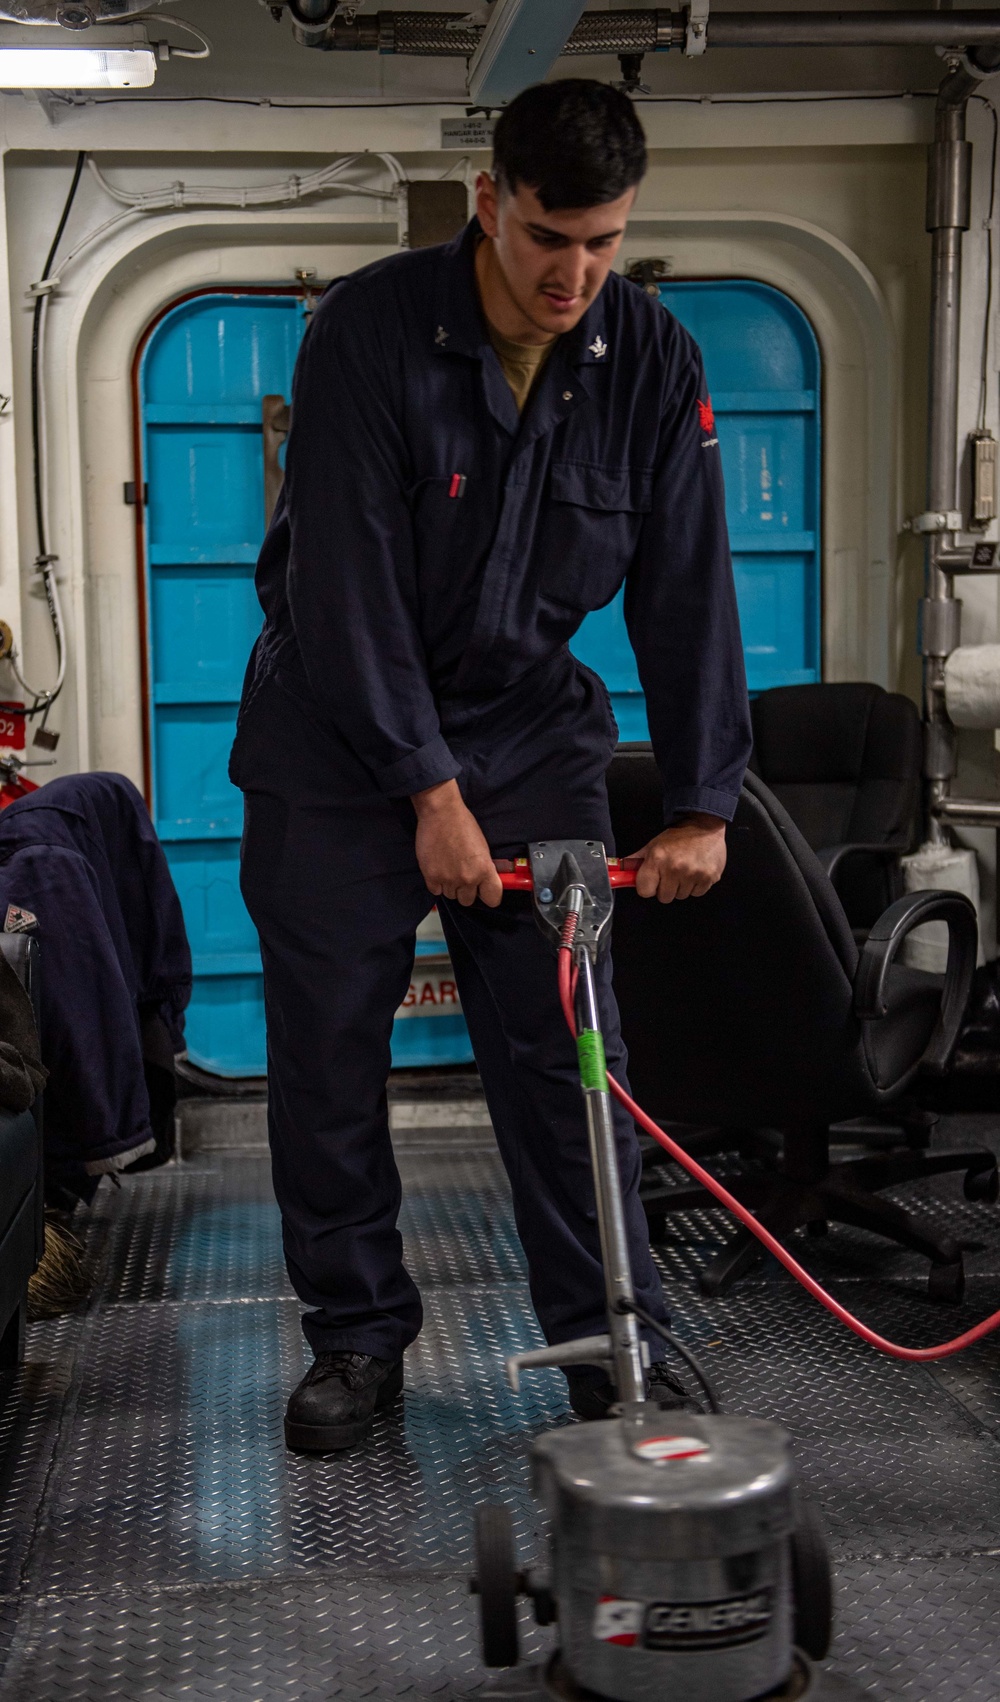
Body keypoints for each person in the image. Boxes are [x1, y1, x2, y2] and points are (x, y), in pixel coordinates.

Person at [230, 80, 752, 1453]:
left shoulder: (650, 357)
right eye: (548, 239)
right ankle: (354, 1339)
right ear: (489, 203)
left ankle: (610, 1338)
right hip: (337, 739)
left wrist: (704, 799)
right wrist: (429, 795)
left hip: (529, 732)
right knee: (331, 1053)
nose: (575, 273)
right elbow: (345, 593)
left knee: (573, 1049)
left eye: (604, 241)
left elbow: (689, 586)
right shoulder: (370, 333)